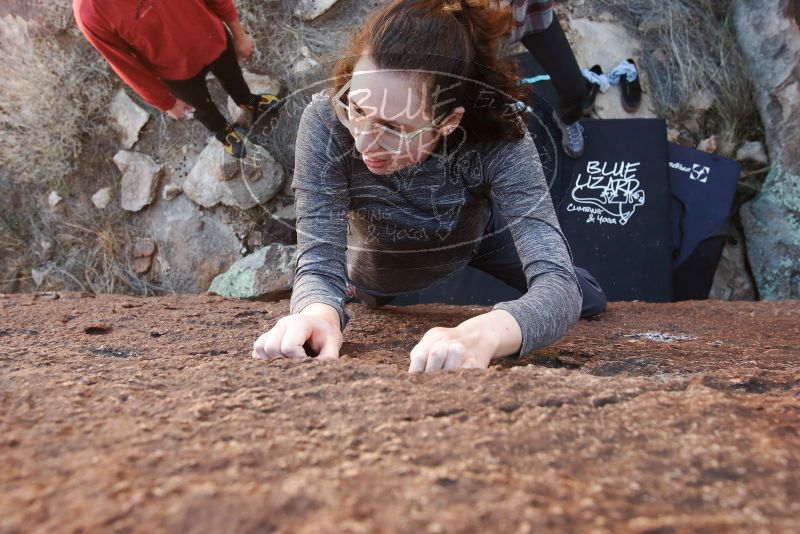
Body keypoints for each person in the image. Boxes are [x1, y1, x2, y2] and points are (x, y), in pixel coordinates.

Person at [252, 0, 606, 373]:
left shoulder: (499, 137)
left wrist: (487, 332)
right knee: (366, 295)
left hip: (473, 238)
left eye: (394, 127)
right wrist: (318, 312)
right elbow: (319, 263)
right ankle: (358, 293)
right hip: (378, 259)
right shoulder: (326, 121)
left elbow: (558, 283)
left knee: (589, 298)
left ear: (449, 122)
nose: (363, 143)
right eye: (356, 110)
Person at [73, 0, 282, 159]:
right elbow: (126, 66)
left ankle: (247, 101)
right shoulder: (89, 12)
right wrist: (166, 103)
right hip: (175, 72)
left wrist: (239, 33)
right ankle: (224, 132)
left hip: (212, 37)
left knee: (233, 76)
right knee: (202, 109)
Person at [510, 0, 587, 158]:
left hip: (530, 13)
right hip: (476, 19)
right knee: (465, 88)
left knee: (575, 88)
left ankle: (566, 118)